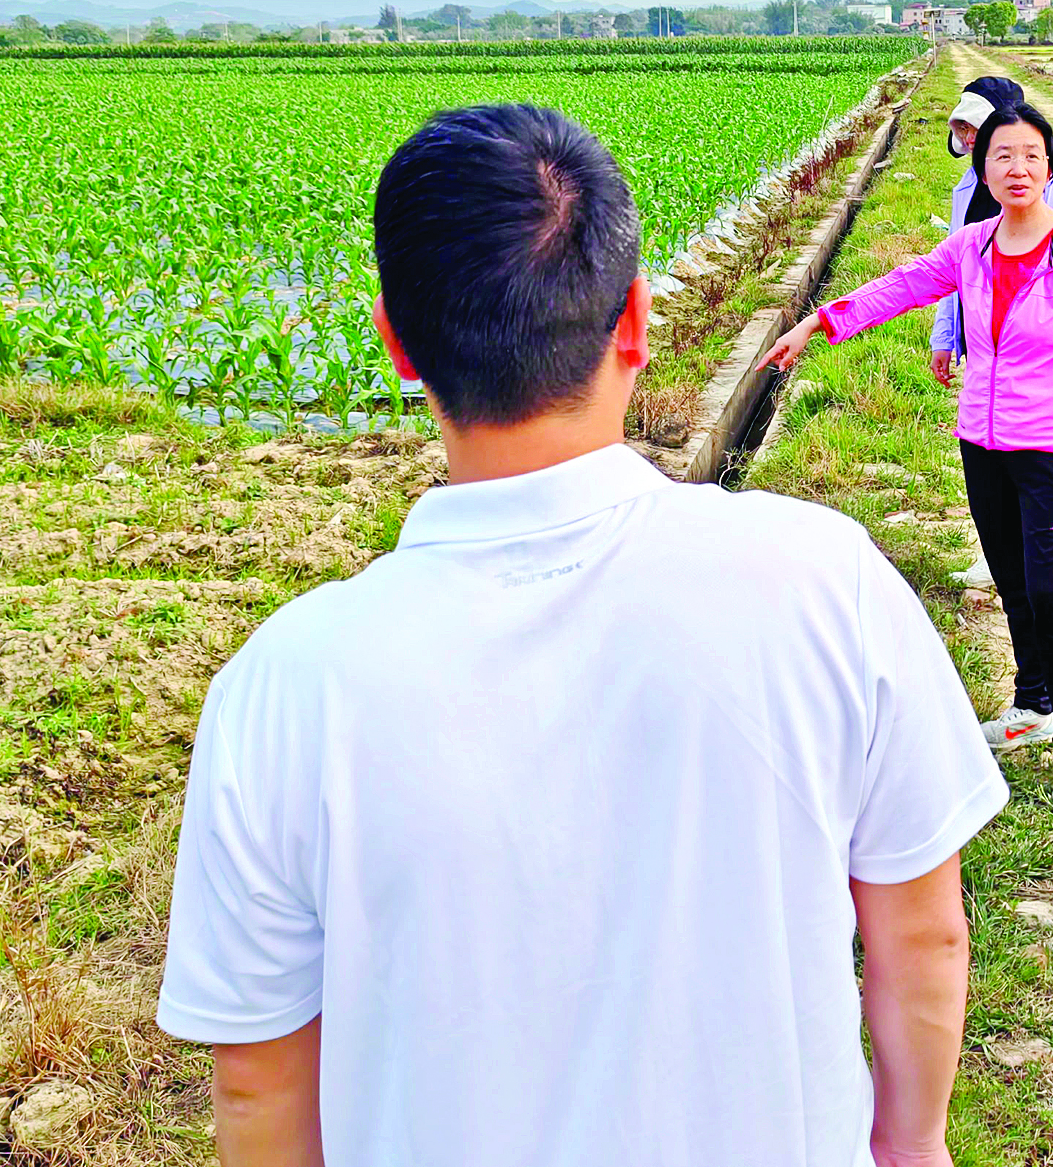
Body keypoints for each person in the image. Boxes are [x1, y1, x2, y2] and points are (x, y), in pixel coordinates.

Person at [159, 104, 1006, 1167]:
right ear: (636, 320)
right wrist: (912, 1141)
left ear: (397, 344)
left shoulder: (285, 682)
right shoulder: (825, 578)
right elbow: (922, 930)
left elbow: (257, 1080)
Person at [764, 102, 1053, 813]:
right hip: (982, 443)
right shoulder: (972, 246)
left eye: (1031, 155)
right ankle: (1032, 705)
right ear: (983, 170)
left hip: (1052, 450)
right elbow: (900, 287)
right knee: (1013, 582)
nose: (1017, 168)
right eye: (1002, 156)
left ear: (1051, 167)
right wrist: (817, 322)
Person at [935, 75, 1053, 389]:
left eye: (977, 127)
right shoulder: (967, 187)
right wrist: (943, 338)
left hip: (1034, 346)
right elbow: (952, 268)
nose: (970, 138)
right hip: (980, 338)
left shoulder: (1050, 188)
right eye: (964, 129)